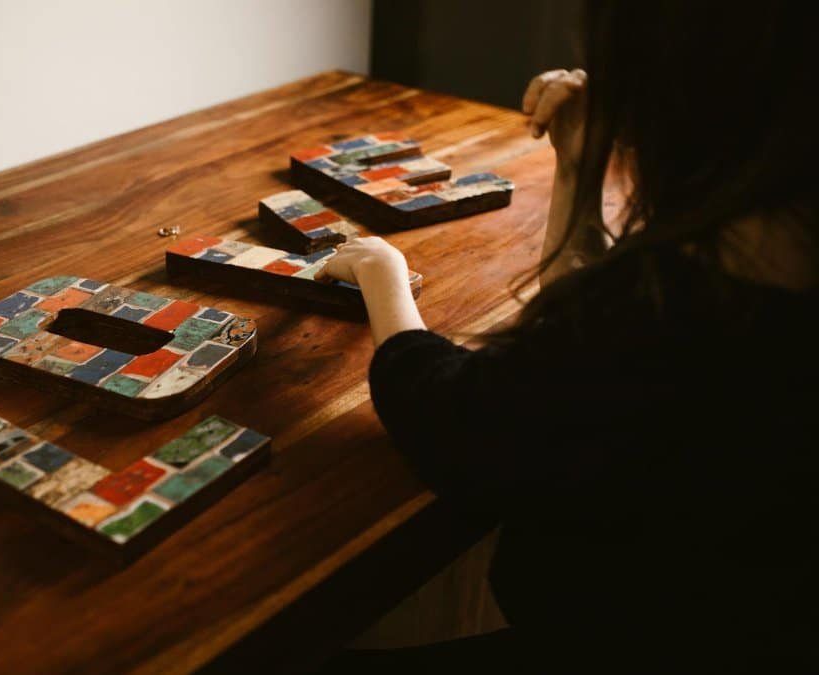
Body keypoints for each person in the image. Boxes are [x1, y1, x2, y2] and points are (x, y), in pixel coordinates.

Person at [315, 1, 817, 672]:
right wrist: (578, 170)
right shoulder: (760, 258)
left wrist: (384, 274)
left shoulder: (680, 314)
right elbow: (577, 351)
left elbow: (451, 419)